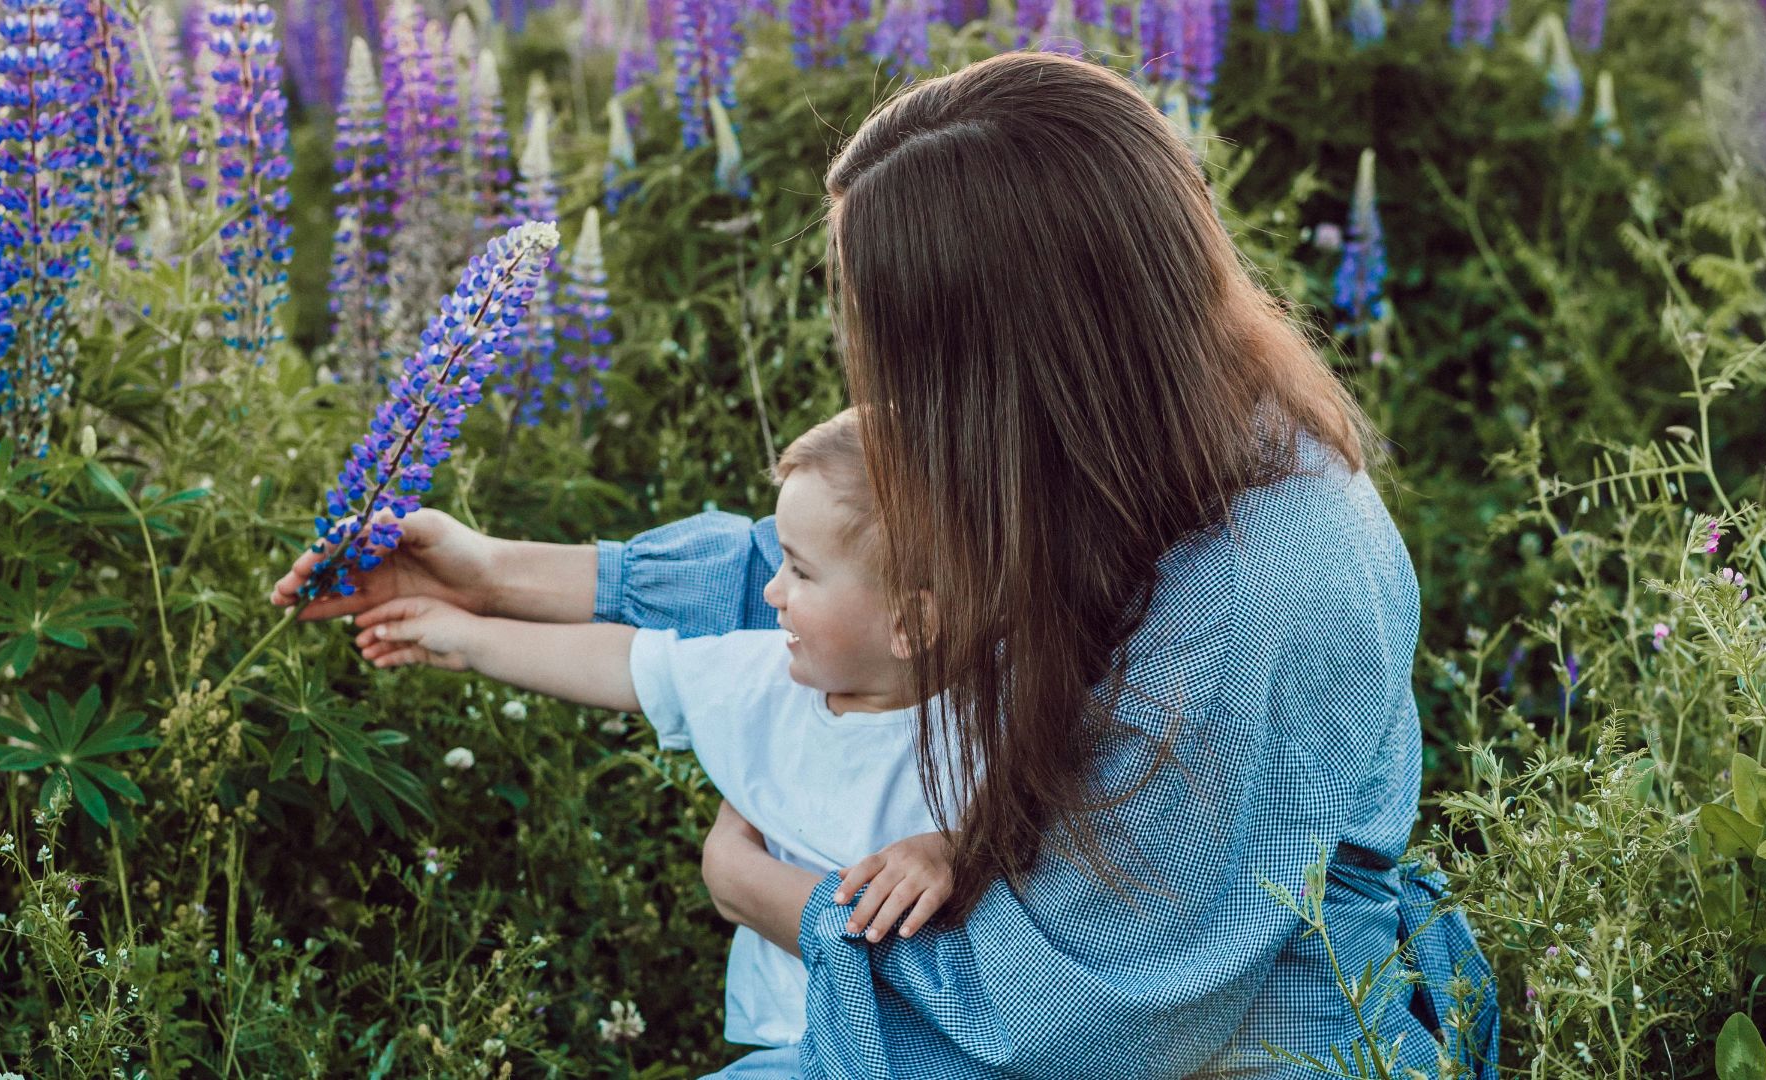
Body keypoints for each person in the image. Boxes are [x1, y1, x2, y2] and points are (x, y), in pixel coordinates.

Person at [274, 49, 1496, 1079]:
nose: (880, 379)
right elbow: (840, 568)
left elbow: (1075, 1022)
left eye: (895, 341)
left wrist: (774, 899)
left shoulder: (1263, 592)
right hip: (1045, 986)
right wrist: (484, 574)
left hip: (1224, 1043)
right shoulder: (1139, 436)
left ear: (1017, 349)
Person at [340, 411, 958, 1077]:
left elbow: (1042, 835)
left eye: (801, 573)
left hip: (936, 1054)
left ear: (908, 622)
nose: (771, 590)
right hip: (796, 1046)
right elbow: (627, 663)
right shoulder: (764, 679)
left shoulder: (990, 719)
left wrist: (949, 848)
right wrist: (462, 636)